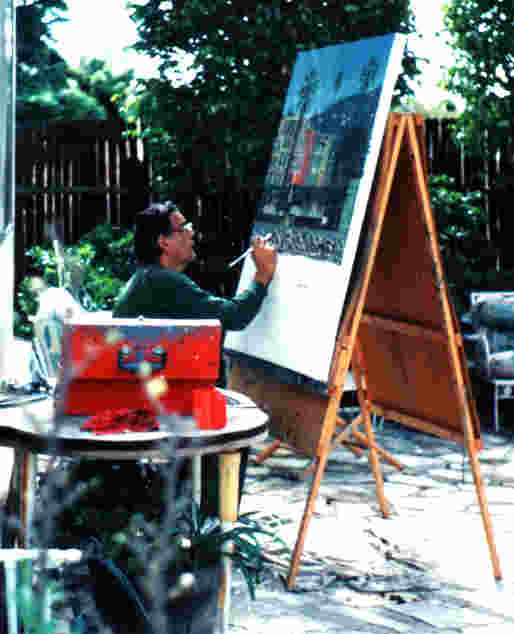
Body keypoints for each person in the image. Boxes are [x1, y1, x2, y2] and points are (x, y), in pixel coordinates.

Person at [113, 200, 277, 516]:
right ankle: (212, 528)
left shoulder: (148, 278)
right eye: (183, 228)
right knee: (232, 436)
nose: (192, 232)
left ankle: (188, 517)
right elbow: (233, 315)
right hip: (158, 404)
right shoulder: (162, 282)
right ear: (163, 242)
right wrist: (263, 276)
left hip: (152, 395)